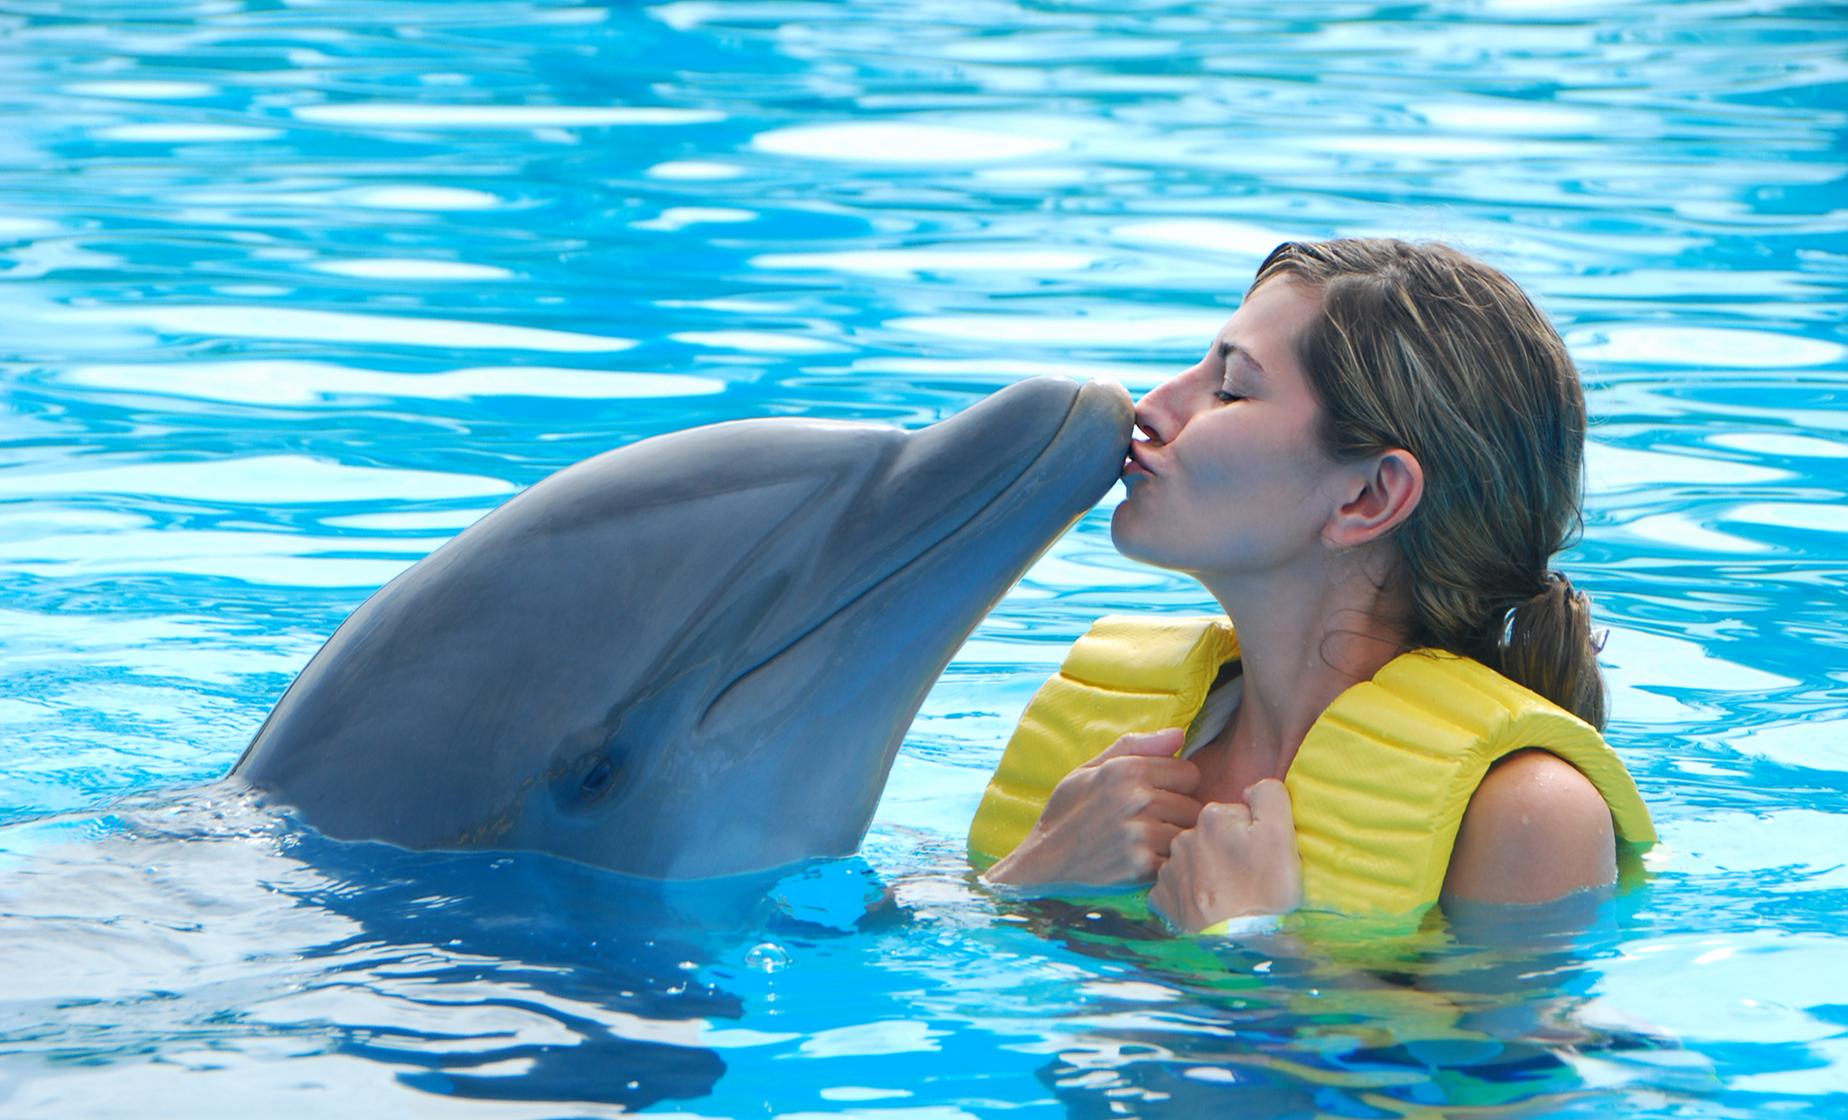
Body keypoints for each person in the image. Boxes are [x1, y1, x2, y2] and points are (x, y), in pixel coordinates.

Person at [974, 238, 1652, 933]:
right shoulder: (1119, 750)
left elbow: (1501, 1045)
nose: (1149, 406)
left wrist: (1253, 944)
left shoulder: (1525, 811)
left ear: (1368, 497)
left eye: (1231, 390)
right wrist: (1035, 871)